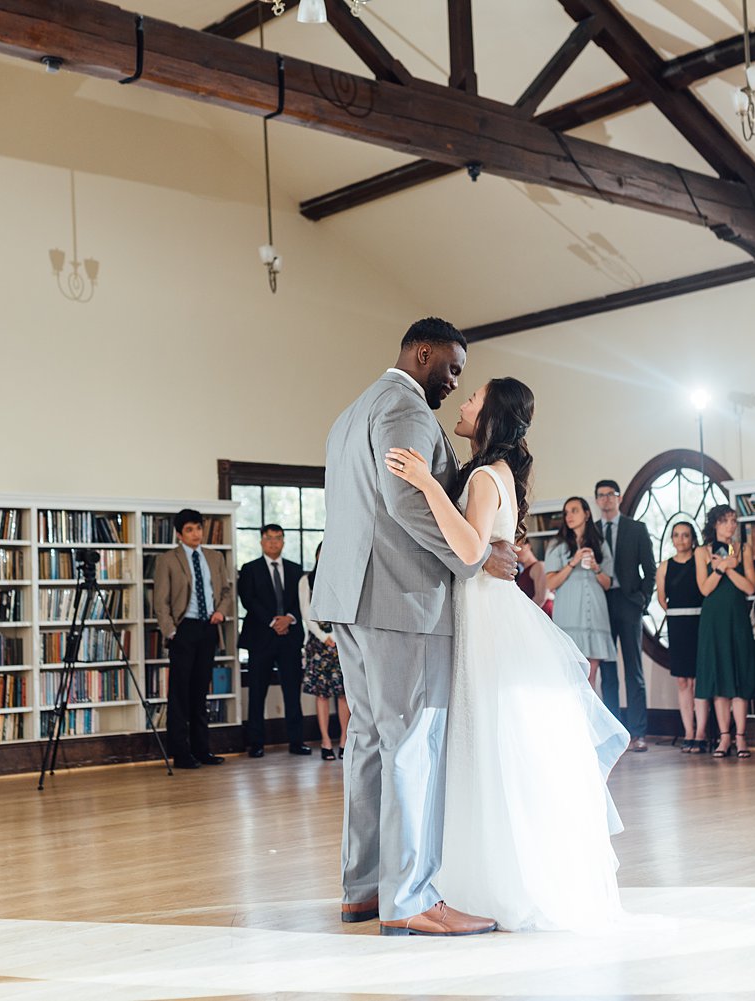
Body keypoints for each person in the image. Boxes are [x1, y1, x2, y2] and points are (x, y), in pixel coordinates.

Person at [385, 376, 628, 931]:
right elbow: (492, 547)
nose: (464, 402)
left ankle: (488, 883)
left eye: (473, 397)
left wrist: (424, 483)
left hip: (484, 618)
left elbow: (471, 549)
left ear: (491, 414)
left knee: (483, 746)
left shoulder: (481, 476)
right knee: (489, 746)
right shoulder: (500, 474)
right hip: (491, 612)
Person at [310, 317, 517, 937]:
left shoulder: (352, 412)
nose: (455, 384)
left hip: (351, 598)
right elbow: (404, 502)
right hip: (400, 600)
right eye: (451, 368)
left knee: (371, 745)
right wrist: (472, 555)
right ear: (421, 353)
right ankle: (409, 898)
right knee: (412, 745)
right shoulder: (404, 408)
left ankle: (364, 890)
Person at [152, 509, 233, 770]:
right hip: (183, 630)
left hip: (209, 628)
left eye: (199, 528)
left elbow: (226, 591)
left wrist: (221, 611)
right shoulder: (168, 560)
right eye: (190, 529)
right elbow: (160, 601)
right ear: (179, 534)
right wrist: (171, 631)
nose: (196, 534)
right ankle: (181, 753)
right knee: (179, 695)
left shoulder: (214, 557)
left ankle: (202, 749)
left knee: (200, 693)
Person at [593, 478, 657, 752]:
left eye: (611, 495)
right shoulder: (591, 531)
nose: (606, 499)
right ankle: (613, 735)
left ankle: (638, 732)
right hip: (600, 604)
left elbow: (650, 570)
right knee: (607, 672)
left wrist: (641, 601)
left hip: (629, 603)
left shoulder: (636, 529)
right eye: (601, 495)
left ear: (618, 499)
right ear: (596, 500)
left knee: (634, 670)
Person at [695, 505, 755, 758]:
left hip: (737, 617)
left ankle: (741, 737)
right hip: (713, 619)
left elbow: (751, 587)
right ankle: (724, 737)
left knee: (739, 674)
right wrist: (720, 568)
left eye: (733, 520)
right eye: (724, 521)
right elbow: (705, 589)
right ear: (714, 524)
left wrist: (731, 567)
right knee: (719, 676)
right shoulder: (702, 552)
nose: (730, 525)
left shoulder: (744, 549)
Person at [237, 524, 307, 759]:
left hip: (290, 638)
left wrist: (288, 619)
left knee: (291, 691)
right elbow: (248, 600)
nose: (274, 542)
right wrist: (273, 621)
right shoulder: (250, 569)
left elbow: (303, 601)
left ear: (284, 541)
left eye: (278, 538)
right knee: (257, 692)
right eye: (269, 538)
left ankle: (297, 741)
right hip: (261, 638)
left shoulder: (296, 570)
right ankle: (256, 743)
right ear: (261, 541)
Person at [544, 497, 616, 690]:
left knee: (591, 678)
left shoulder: (600, 544)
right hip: (569, 614)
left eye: (574, 510)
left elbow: (608, 584)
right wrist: (572, 563)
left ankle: (590, 720)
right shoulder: (556, 545)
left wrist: (596, 567)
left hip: (595, 613)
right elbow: (550, 583)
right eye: (566, 512)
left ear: (586, 514)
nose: (569, 516)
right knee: (572, 678)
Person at [655, 521, 703, 752]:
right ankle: (689, 731)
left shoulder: (700, 560)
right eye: (676, 535)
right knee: (683, 681)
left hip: (700, 622)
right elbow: (662, 599)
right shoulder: (665, 566)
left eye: (685, 535)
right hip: (677, 624)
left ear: (693, 538)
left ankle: (702, 731)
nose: (681, 539)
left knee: (699, 680)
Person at [299, 542, 349, 762]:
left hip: (341, 640)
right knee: (321, 694)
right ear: (317, 555)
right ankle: (326, 741)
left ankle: (345, 740)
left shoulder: (342, 577)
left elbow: (347, 607)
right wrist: (323, 636)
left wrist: (337, 637)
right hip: (318, 643)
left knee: (343, 694)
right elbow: (305, 612)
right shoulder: (305, 581)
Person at [515, 541, 552, 616]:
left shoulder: (539, 566)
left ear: (528, 546)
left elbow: (541, 598)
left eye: (519, 548)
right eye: (514, 550)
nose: (517, 552)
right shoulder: (521, 572)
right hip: (533, 613)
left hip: (541, 614)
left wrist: (527, 615)